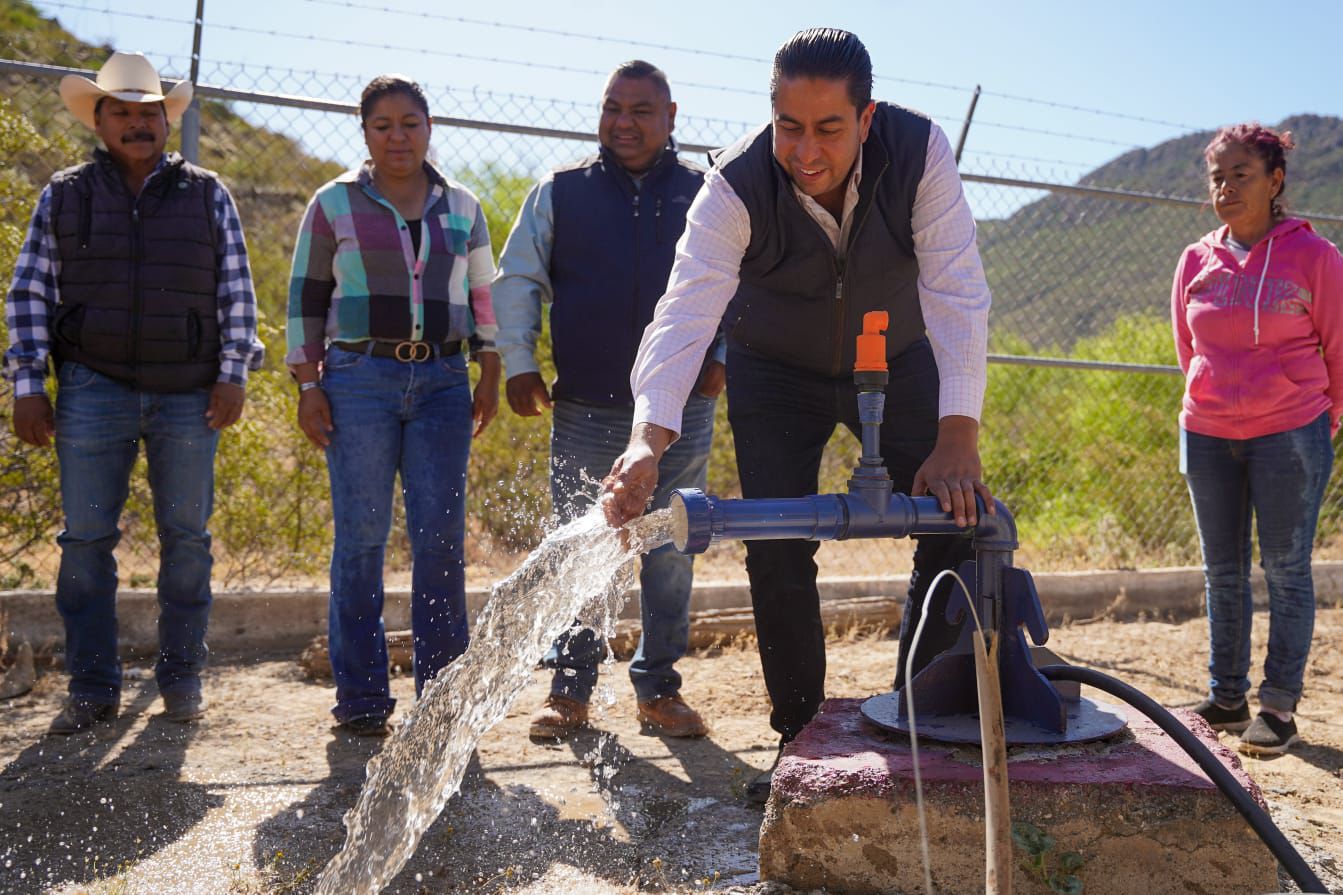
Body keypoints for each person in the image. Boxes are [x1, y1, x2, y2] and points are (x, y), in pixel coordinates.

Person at [601, 29, 993, 802]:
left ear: (866, 118)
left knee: (954, 525)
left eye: (828, 128)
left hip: (901, 353)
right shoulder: (735, 183)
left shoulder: (919, 153)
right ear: (770, 114)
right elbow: (684, 314)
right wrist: (646, 440)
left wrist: (958, 433)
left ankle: (919, 725)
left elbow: (955, 289)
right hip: (774, 367)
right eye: (788, 125)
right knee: (775, 543)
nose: (804, 150)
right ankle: (799, 739)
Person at [3, 51, 264, 734]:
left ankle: (181, 678)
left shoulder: (207, 192)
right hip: (92, 387)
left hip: (189, 395)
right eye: (122, 112)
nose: (138, 123)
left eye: (149, 112)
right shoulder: (65, 192)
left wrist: (234, 372)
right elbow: (30, 290)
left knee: (188, 540)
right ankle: (92, 687)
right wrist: (28, 383)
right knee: (85, 540)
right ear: (99, 120)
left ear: (166, 120)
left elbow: (237, 289)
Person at [494, 60, 722, 740]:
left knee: (671, 550)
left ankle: (658, 688)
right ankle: (569, 692)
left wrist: (720, 355)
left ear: (671, 116)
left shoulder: (708, 194)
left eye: (641, 110)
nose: (623, 122)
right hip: (586, 406)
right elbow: (517, 280)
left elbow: (743, 278)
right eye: (611, 108)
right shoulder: (559, 192)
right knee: (581, 550)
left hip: (680, 409)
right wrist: (519, 362)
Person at [286, 74, 500, 737]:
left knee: (439, 542)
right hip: (357, 379)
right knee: (361, 539)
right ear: (365, 132)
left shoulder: (462, 206)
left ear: (429, 127)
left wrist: (489, 365)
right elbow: (305, 299)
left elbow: (484, 295)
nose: (397, 135)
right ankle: (361, 699)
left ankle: (441, 700)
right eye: (383, 125)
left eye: (410, 122)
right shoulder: (333, 203)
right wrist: (307, 383)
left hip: (441, 382)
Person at [1174, 123, 1343, 756]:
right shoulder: (1194, 260)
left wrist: (1319, 422)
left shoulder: (1316, 257)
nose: (1225, 186)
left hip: (1290, 434)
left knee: (1286, 570)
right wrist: (1205, 399)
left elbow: (1338, 349)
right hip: (1208, 433)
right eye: (1217, 175)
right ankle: (1225, 699)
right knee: (1223, 572)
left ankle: (1278, 708)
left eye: (1240, 173)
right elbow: (1187, 347)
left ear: (1275, 181)